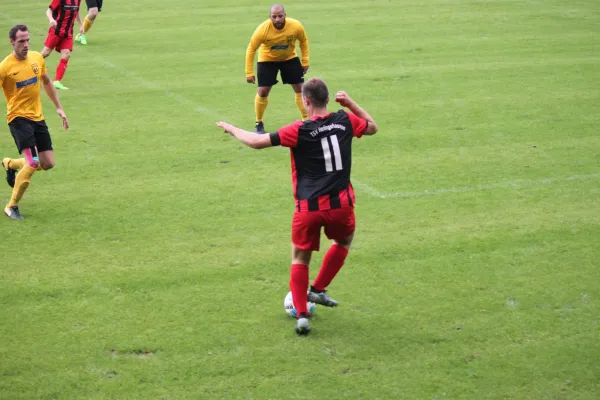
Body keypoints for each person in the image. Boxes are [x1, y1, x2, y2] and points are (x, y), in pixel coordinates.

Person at [217, 78, 379, 335]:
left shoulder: (300, 129)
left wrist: (232, 128)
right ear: (327, 99)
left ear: (305, 100)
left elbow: (257, 142)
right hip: (342, 205)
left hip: (309, 208)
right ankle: (318, 289)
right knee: (343, 241)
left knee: (300, 258)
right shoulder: (344, 119)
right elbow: (372, 127)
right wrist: (349, 103)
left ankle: (302, 316)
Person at [1, 24, 69, 220]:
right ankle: (11, 206)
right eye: (21, 41)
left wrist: (58, 107)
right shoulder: (5, 67)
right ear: (12, 42)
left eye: (28, 40)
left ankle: (10, 164)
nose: (25, 44)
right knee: (32, 163)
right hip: (18, 119)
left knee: (47, 163)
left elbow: (46, 81)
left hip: (37, 118)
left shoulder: (37, 58)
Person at [245, 4, 309, 134]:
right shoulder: (262, 30)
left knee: (300, 88)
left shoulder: (296, 26)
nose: (277, 19)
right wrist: (249, 72)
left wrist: (305, 61)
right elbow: (251, 49)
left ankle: (306, 120)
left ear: (285, 15)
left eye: (280, 16)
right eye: (274, 17)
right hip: (267, 60)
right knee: (263, 91)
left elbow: (303, 41)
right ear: (270, 17)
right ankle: (259, 122)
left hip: (289, 58)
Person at [40, 0, 84, 90]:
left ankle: (56, 81)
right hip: (56, 30)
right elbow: (49, 10)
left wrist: (81, 24)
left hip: (68, 33)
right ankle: (29, 65)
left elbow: (76, 11)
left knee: (66, 54)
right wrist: (51, 19)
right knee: (45, 53)